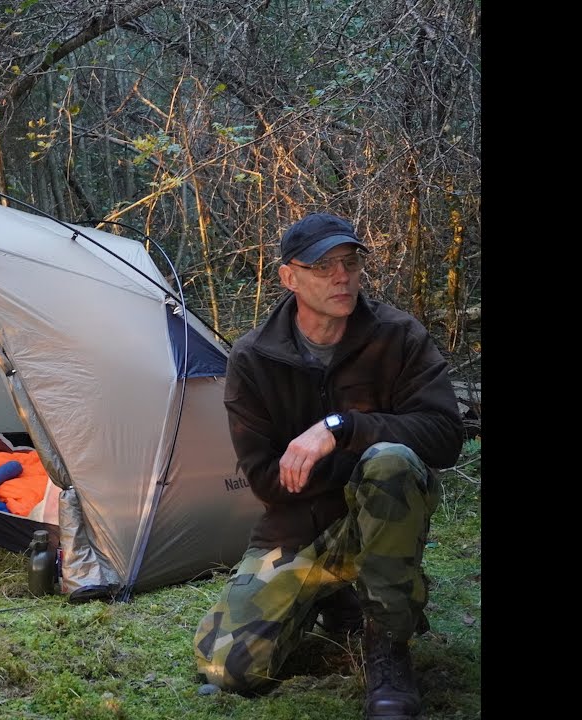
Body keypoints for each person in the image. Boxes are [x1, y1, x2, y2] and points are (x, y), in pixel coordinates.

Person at [192, 212, 463, 719]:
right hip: (297, 528)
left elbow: (445, 437)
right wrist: (347, 474)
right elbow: (267, 480)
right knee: (225, 669)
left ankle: (387, 646)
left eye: (350, 262)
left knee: (390, 463)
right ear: (289, 277)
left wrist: (342, 430)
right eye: (323, 266)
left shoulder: (397, 335)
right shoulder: (253, 358)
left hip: (384, 517)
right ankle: (337, 596)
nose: (342, 276)